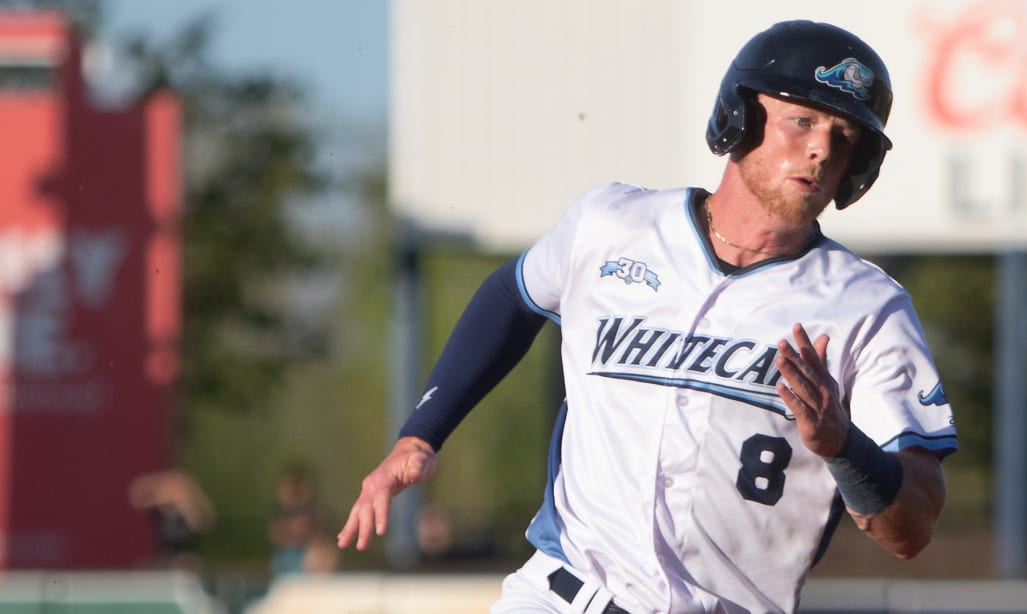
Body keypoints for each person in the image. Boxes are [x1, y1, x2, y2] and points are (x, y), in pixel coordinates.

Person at [337, 20, 957, 613]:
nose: (821, 148)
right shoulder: (613, 226)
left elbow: (914, 526)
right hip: (560, 595)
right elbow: (512, 295)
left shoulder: (867, 306)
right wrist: (421, 434)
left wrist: (843, 447)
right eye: (802, 119)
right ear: (739, 115)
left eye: (845, 137)